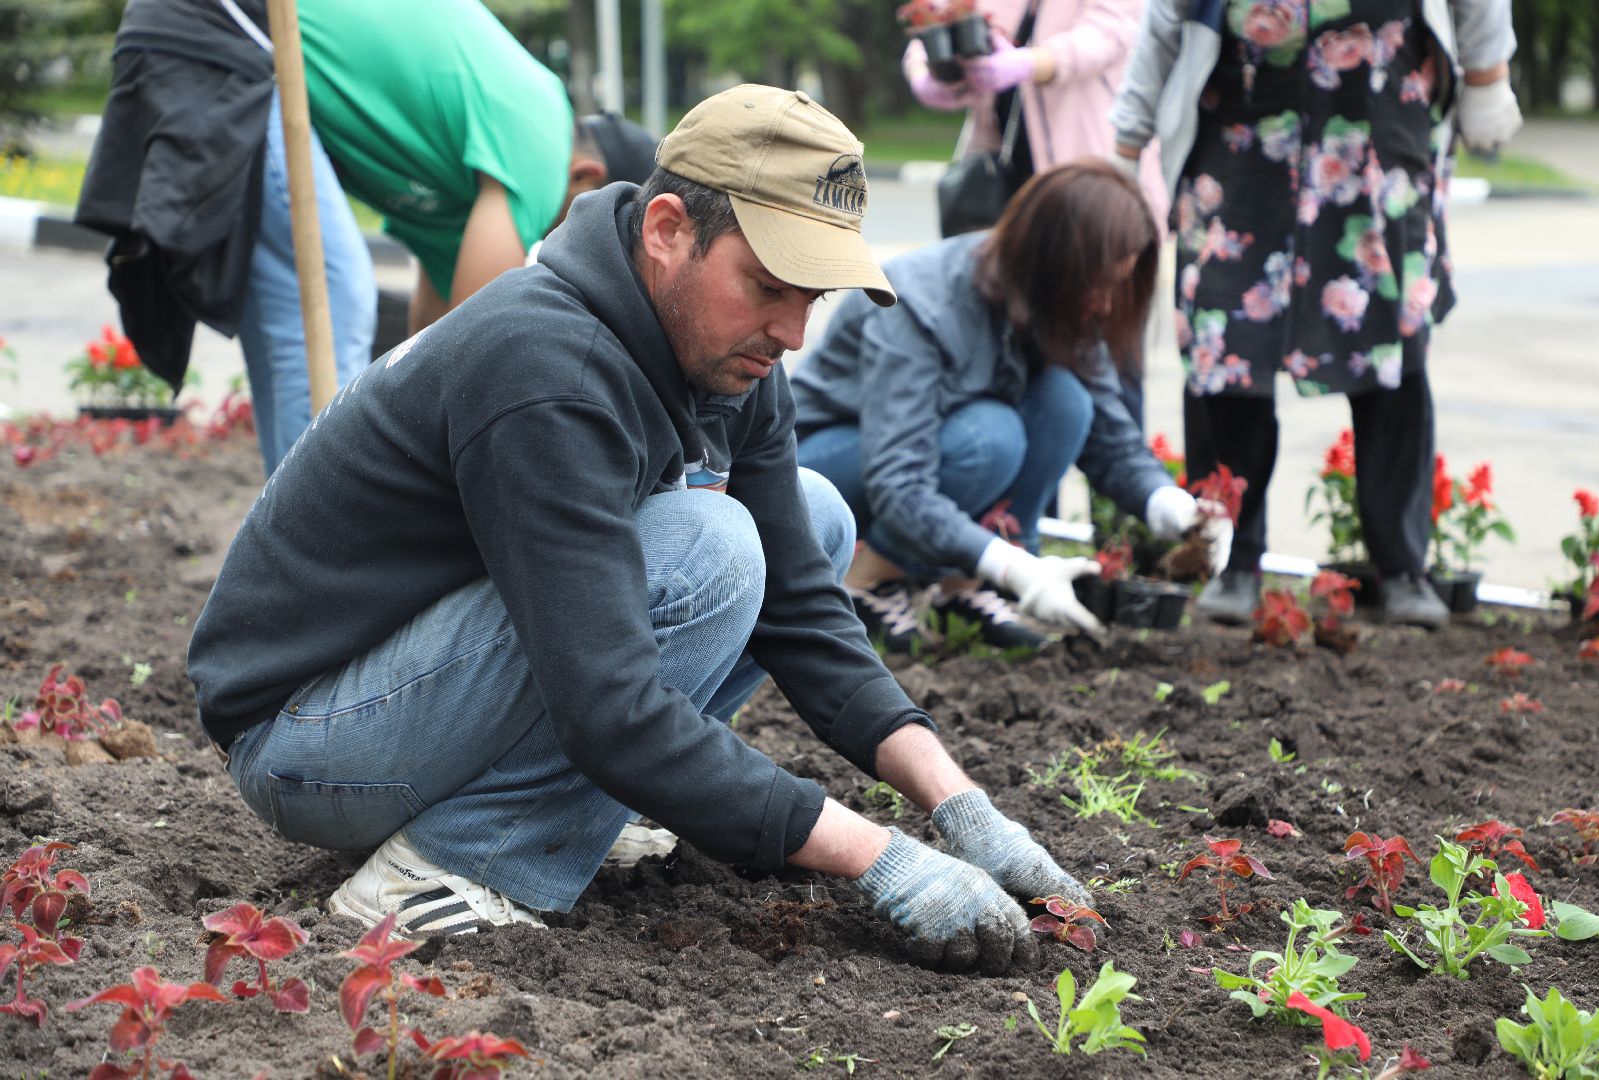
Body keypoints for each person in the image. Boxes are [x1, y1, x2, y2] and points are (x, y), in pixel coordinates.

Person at [186, 86, 1088, 974]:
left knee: (811, 520)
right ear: (666, 230)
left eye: (810, 296)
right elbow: (608, 706)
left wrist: (959, 803)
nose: (793, 332)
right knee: (713, 548)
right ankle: (452, 861)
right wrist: (877, 855)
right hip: (308, 741)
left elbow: (805, 609)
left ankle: (571, 814)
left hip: (419, 692)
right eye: (770, 285)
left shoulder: (724, 350)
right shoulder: (547, 368)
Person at [76, 0, 656, 477]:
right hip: (235, 26)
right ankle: (315, 553)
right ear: (587, 181)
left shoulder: (477, 178)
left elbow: (429, 348)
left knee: (308, 320)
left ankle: (300, 548)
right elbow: (487, 344)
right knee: (332, 291)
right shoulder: (540, 136)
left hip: (230, 40)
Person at [1109, 0, 1522, 628]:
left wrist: (1489, 76)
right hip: (1238, 130)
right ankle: (1229, 557)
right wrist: (1127, 138)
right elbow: (1166, 18)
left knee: (1390, 349)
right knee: (1225, 347)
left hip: (1379, 129)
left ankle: (1403, 567)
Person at [790, 161, 1232, 653]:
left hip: (915, 457)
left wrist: (1176, 509)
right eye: (1098, 285)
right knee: (992, 437)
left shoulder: (1066, 307)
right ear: (1052, 264)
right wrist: (1013, 565)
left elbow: (1111, 435)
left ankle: (967, 590)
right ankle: (864, 581)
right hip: (817, 471)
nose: (1107, 306)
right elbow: (898, 484)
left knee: (1067, 403)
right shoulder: (920, 303)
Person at [904, 0, 1170, 227]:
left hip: (1087, 159)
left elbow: (1109, 32)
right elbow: (936, 18)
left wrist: (1031, 63)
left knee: (1091, 270)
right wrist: (924, 74)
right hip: (1000, 165)